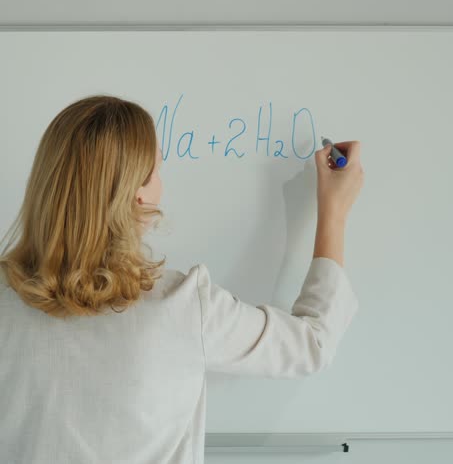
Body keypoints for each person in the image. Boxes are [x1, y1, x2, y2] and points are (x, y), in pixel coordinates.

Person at [0, 94, 364, 464]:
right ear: (136, 195)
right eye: (157, 169)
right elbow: (312, 343)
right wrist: (333, 212)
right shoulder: (182, 306)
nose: (161, 183)